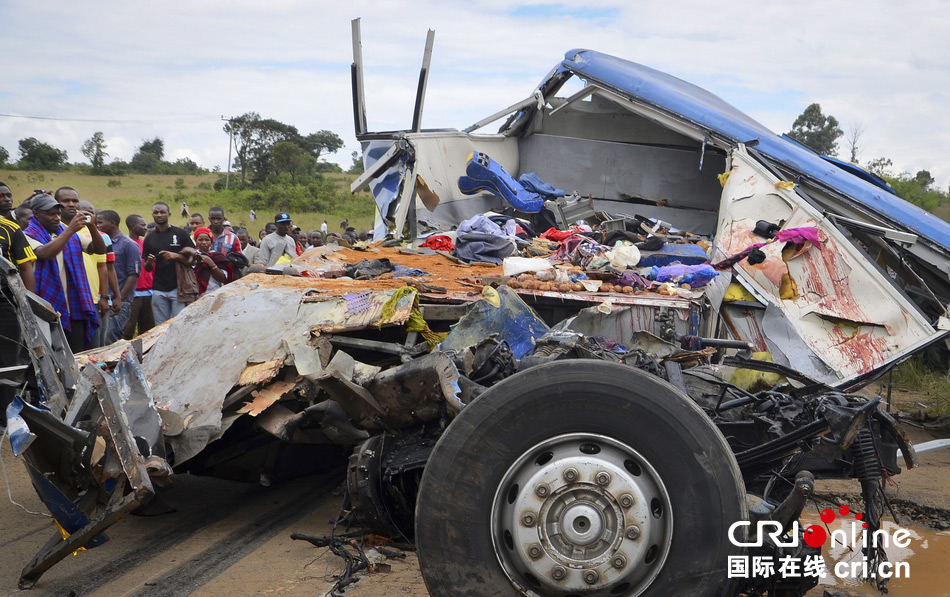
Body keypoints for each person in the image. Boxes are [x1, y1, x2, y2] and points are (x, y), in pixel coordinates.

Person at [23, 193, 99, 353]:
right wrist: (70, 229)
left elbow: (97, 249)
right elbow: (43, 253)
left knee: (77, 354)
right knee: (52, 355)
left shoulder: (65, 231)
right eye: (51, 214)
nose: (56, 217)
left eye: (58, 214)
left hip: (74, 305)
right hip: (47, 306)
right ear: (36, 214)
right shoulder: (28, 234)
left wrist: (92, 226)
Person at [0, 207, 37, 424]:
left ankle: (5, 418)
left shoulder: (9, 228)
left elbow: (25, 267)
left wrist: (27, 303)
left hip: (4, 301)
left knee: (8, 358)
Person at [143, 201, 195, 325]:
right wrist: (150, 262)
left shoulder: (180, 234)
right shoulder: (149, 238)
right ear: (152, 215)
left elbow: (193, 258)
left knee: (177, 324)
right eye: (156, 212)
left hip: (178, 287)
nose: (159, 215)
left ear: (169, 214)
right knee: (160, 326)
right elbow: (147, 268)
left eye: (162, 212)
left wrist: (176, 256)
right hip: (158, 288)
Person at [97, 210, 140, 344]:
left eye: (100, 222)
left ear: (112, 223)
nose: (97, 225)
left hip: (119, 302)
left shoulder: (129, 245)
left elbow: (133, 275)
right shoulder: (102, 242)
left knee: (111, 338)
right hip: (103, 300)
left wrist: (118, 298)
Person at [122, 215, 155, 340]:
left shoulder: (146, 243)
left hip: (148, 292)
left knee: (148, 330)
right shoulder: (126, 244)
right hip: (133, 294)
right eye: (142, 225)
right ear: (132, 226)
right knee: (127, 329)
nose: (145, 228)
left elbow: (150, 268)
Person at [192, 227, 231, 295]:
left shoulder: (218, 257)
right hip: (195, 295)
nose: (204, 242)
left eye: (207, 240)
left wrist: (211, 264)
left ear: (211, 242)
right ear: (196, 242)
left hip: (214, 293)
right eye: (200, 240)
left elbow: (223, 279)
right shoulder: (191, 256)